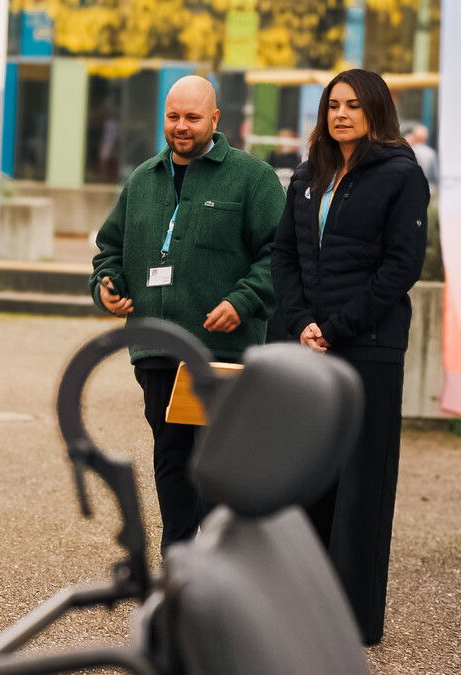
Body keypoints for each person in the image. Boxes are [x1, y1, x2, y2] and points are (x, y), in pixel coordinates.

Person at [89, 75, 286, 552]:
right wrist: (107, 288)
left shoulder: (253, 178)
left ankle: (220, 564)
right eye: (173, 116)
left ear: (215, 119)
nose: (181, 126)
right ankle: (177, 562)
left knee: (220, 463)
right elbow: (108, 252)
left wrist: (242, 301)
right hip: (156, 349)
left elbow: (280, 255)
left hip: (223, 354)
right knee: (172, 459)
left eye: (193, 118)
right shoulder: (142, 179)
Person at [271, 69, 428, 646]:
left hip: (369, 347)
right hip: (309, 344)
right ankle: (302, 611)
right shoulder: (307, 174)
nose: (341, 114)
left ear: (375, 111)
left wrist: (336, 327)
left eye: (354, 106)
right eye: (333, 105)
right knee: (308, 479)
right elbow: (284, 256)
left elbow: (400, 267)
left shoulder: (401, 174)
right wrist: (301, 322)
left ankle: (353, 623)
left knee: (361, 486)